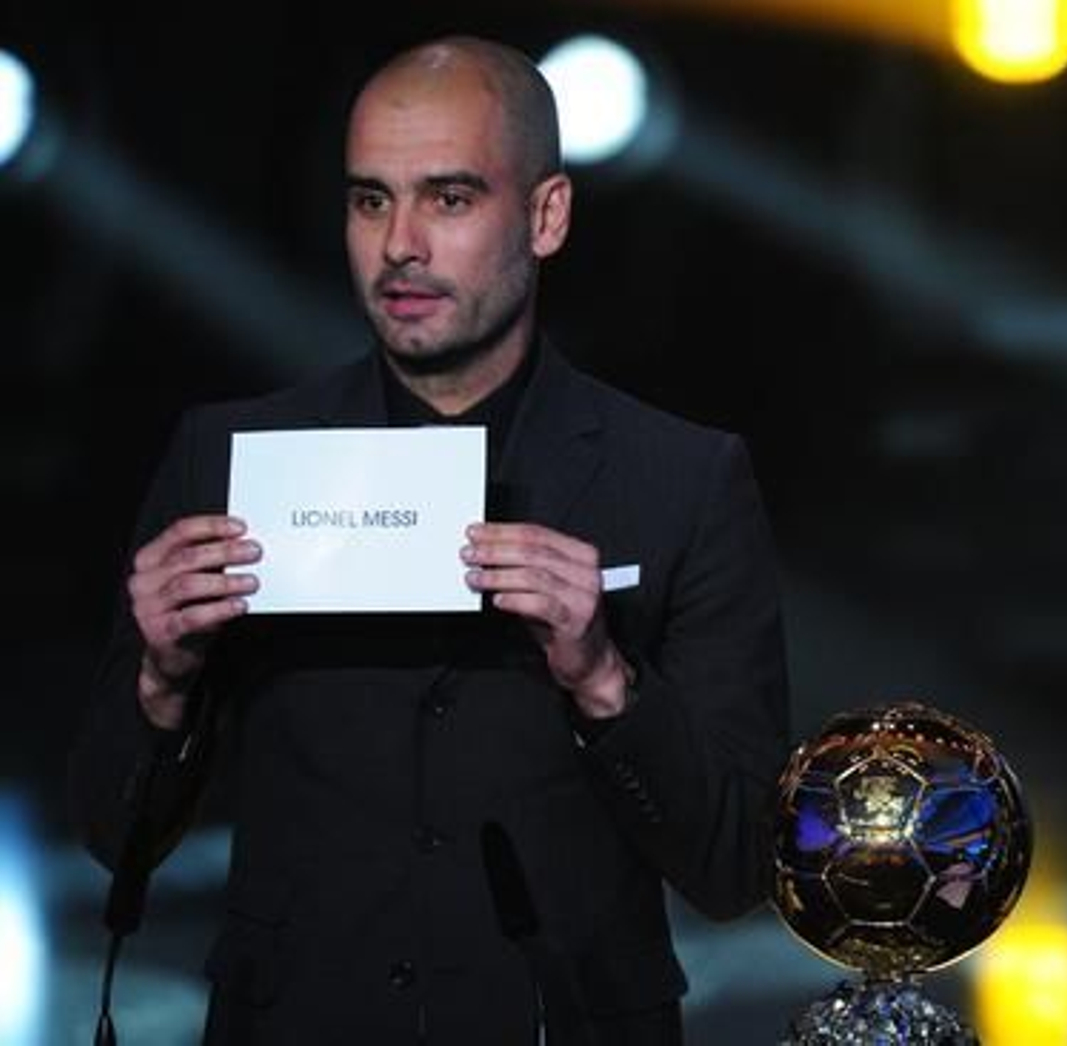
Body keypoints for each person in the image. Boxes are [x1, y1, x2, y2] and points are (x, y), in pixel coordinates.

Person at [68, 34, 791, 1044]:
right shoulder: (230, 457)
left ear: (547, 215)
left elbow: (737, 864)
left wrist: (604, 682)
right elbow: (116, 836)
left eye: (448, 199)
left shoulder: (680, 480)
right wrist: (162, 680)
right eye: (371, 199)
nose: (399, 242)